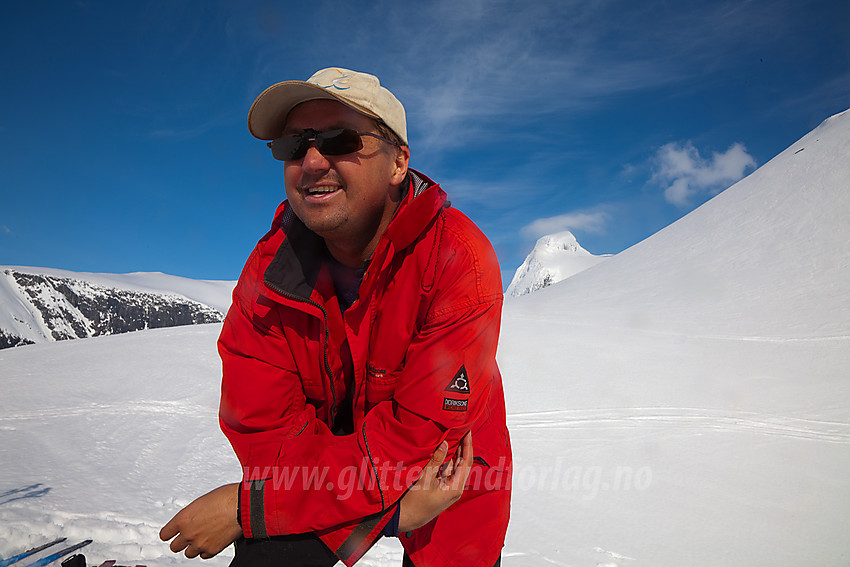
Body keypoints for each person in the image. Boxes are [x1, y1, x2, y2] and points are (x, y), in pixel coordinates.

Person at [160, 67, 512, 566]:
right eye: (293, 145)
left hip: (448, 476)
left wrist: (248, 508)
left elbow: (423, 437)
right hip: (317, 482)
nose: (311, 161)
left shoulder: (458, 260)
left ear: (398, 163)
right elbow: (264, 433)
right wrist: (385, 514)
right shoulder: (268, 276)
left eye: (340, 139)